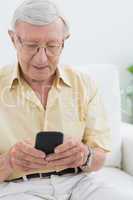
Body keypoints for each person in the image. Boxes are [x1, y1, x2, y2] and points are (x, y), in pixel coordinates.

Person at [0, 0, 132, 199]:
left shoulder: (84, 84)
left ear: (64, 41)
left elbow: (99, 158)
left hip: (79, 183)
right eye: (31, 45)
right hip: (19, 188)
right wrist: (9, 162)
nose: (41, 58)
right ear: (13, 39)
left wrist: (85, 155)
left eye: (52, 46)